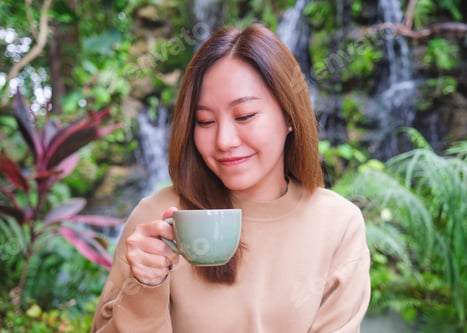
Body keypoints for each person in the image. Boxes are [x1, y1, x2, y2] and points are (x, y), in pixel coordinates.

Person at [91, 23, 370, 333]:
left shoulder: (338, 224)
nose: (224, 140)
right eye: (205, 121)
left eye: (245, 116)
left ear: (289, 116)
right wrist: (144, 284)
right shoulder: (156, 220)